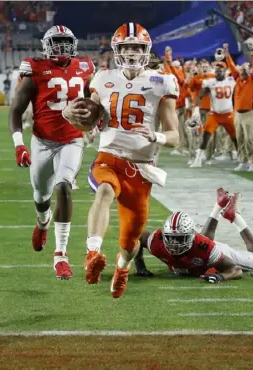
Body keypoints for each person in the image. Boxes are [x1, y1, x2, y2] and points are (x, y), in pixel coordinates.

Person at [63, 22, 179, 298]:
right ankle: (92, 253)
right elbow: (87, 120)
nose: (130, 52)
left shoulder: (162, 81)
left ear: (145, 50)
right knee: (103, 191)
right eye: (126, 47)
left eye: (136, 47)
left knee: (130, 242)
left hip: (140, 169)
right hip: (109, 157)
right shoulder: (102, 78)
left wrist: (157, 137)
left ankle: (122, 268)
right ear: (117, 49)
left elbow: (175, 136)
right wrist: (70, 113)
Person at [9, 25, 95, 280]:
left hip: (72, 140)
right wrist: (19, 144)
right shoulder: (35, 69)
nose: (61, 48)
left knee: (64, 187)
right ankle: (42, 222)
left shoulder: (85, 67)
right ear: (47, 46)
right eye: (56, 43)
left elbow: (94, 100)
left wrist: (94, 119)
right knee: (41, 195)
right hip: (42, 142)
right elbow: (15, 109)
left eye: (65, 42)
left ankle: (60, 255)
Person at [134, 188, 253, 281]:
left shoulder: (207, 248)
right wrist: (140, 266)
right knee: (201, 249)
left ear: (191, 236)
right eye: (171, 238)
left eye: (179, 239)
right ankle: (218, 206)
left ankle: (235, 217)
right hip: (200, 252)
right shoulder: (156, 241)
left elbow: (234, 269)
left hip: (218, 252)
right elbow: (137, 235)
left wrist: (221, 277)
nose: (174, 244)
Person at [190, 62, 237, 168]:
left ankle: (243, 158)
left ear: (225, 71)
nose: (218, 72)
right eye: (216, 70)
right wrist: (196, 108)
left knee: (235, 137)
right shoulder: (210, 82)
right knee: (206, 136)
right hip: (215, 114)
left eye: (220, 70)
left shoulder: (231, 80)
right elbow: (200, 95)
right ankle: (198, 159)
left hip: (228, 113)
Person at [224, 43, 253, 172]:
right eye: (242, 69)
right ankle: (243, 161)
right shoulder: (238, 79)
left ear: (249, 70)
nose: (243, 71)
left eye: (245, 69)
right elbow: (231, 66)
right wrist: (227, 53)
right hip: (238, 113)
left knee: (250, 139)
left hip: (249, 113)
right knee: (239, 138)